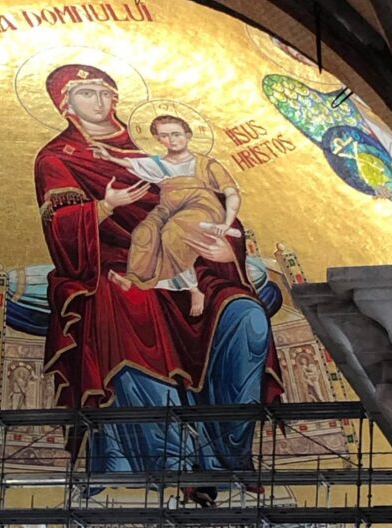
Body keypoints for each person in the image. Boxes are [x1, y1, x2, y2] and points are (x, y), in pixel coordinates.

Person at [33, 64, 283, 490]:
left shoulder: (152, 150)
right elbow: (61, 231)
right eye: (85, 93)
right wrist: (104, 207)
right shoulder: (57, 158)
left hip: (192, 257)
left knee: (247, 317)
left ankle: (227, 455)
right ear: (65, 105)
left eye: (104, 91)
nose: (98, 100)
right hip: (110, 266)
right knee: (131, 304)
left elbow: (215, 208)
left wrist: (226, 253)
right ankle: (167, 459)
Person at [95, 114, 242, 317]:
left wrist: (226, 222)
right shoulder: (158, 163)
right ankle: (135, 279)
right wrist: (109, 157)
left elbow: (231, 192)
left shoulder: (206, 164)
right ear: (157, 139)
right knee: (144, 232)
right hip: (168, 207)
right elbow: (132, 164)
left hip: (202, 206)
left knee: (173, 232)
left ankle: (192, 290)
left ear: (188, 135)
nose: (171, 140)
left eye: (176, 134)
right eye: (164, 136)